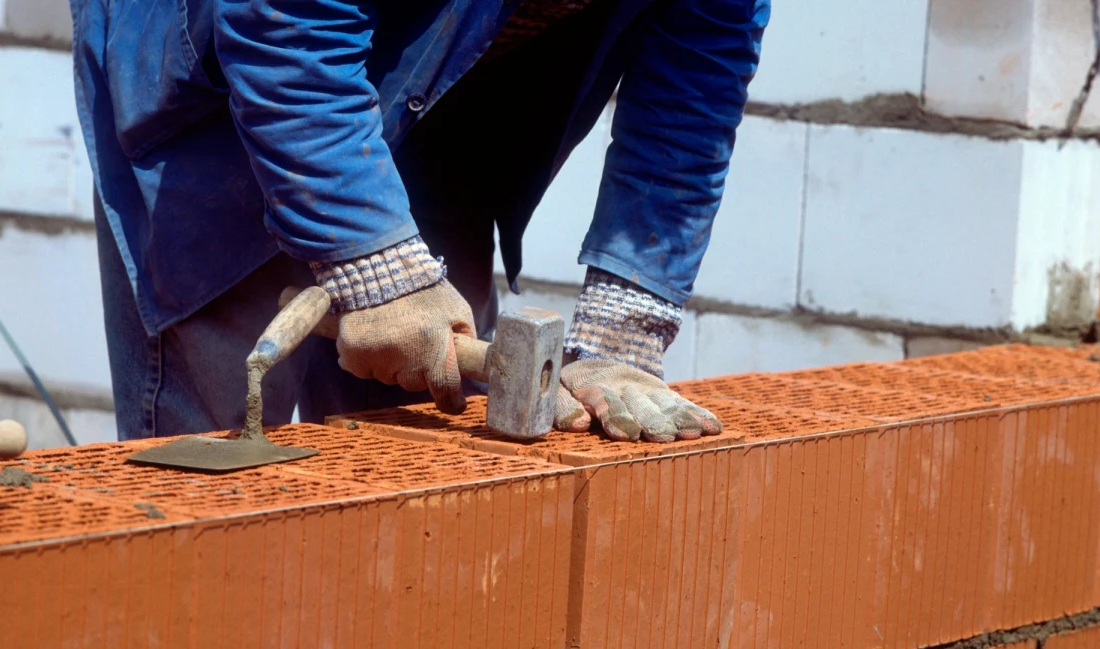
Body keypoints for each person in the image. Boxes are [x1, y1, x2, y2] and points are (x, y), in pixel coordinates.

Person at [70, 0, 767, 443]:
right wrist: (372, 263)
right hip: (232, 74)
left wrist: (623, 330)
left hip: (444, 89)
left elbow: (695, 85)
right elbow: (286, 21)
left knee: (426, 441)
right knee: (214, 463)